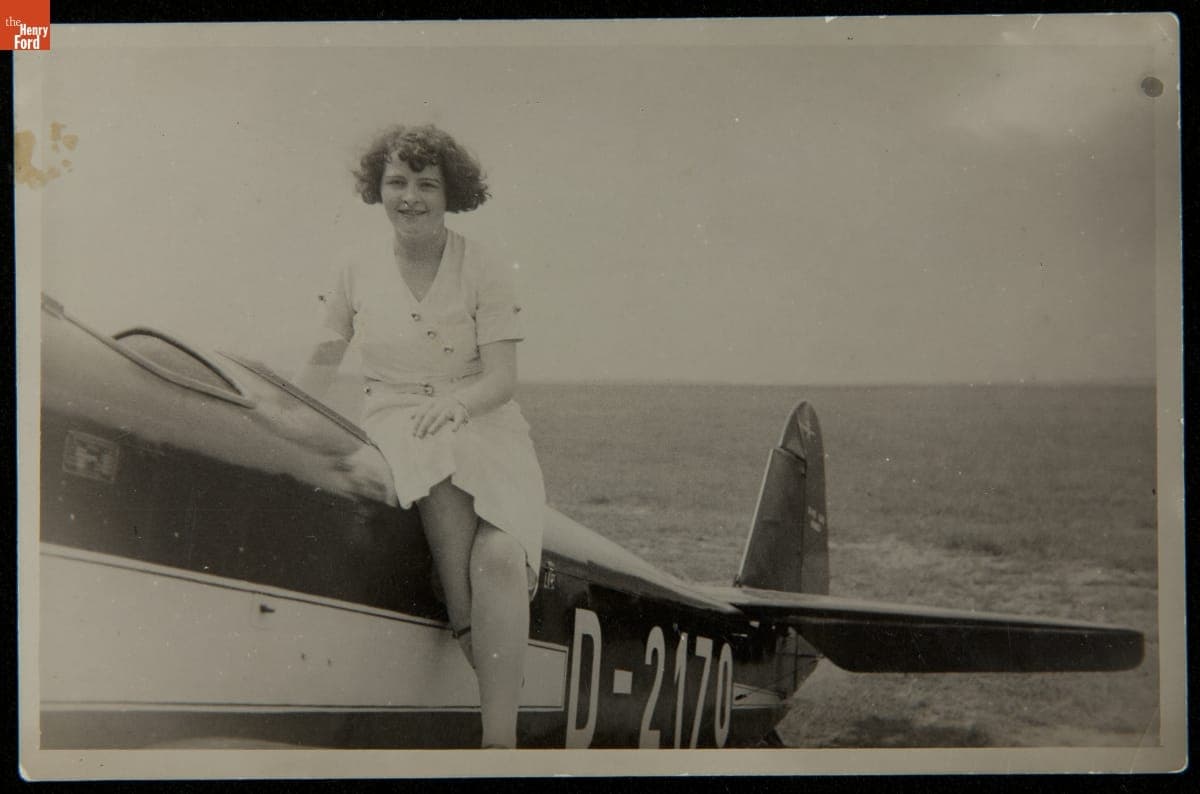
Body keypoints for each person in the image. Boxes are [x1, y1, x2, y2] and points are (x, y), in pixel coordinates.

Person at [295, 124, 545, 749]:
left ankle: (499, 743)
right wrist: (285, 417)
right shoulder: (355, 267)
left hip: (483, 420)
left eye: (427, 184)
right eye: (397, 182)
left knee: (500, 558)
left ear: (449, 193)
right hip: (398, 419)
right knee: (429, 448)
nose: (410, 196)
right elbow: (321, 367)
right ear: (377, 187)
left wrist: (458, 406)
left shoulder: (483, 264)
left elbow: (503, 380)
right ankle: (464, 620)